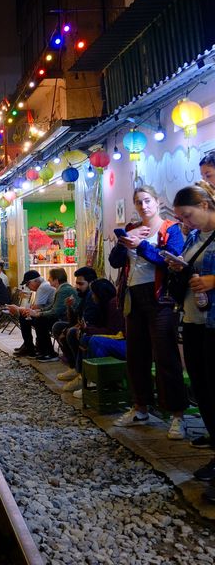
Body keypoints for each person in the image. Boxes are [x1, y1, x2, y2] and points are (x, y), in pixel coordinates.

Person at [109, 185, 187, 439]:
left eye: (147, 201)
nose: (143, 206)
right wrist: (124, 243)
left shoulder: (171, 229)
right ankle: (140, 407)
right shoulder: (132, 228)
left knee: (166, 356)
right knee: (136, 356)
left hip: (161, 298)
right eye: (138, 202)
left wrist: (142, 245)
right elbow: (115, 262)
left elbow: (171, 260)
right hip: (133, 297)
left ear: (157, 202)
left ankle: (177, 415)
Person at [170, 185, 215, 496]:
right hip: (195, 321)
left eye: (188, 215)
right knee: (203, 390)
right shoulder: (192, 238)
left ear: (204, 203)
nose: (186, 222)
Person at [63, 279, 125, 397]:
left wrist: (88, 329)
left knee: (93, 340)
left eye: (94, 293)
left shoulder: (113, 304)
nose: (92, 296)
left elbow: (113, 332)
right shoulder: (103, 304)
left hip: (125, 342)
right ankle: (82, 374)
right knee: (84, 337)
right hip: (118, 338)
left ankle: (94, 381)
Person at [53, 266, 99, 387]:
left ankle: (82, 374)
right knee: (58, 327)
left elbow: (89, 321)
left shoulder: (92, 295)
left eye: (81, 284)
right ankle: (74, 367)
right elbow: (75, 318)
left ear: (91, 283)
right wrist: (69, 306)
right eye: (76, 283)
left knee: (72, 332)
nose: (77, 287)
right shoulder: (84, 295)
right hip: (85, 326)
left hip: (95, 329)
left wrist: (72, 328)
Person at [24, 267, 77, 362]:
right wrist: (39, 311)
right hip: (63, 317)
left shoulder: (63, 290)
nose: (48, 279)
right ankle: (42, 350)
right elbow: (52, 306)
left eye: (50, 277)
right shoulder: (61, 288)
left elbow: (55, 312)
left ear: (56, 280)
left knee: (40, 321)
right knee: (38, 319)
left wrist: (39, 314)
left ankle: (49, 352)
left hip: (66, 319)